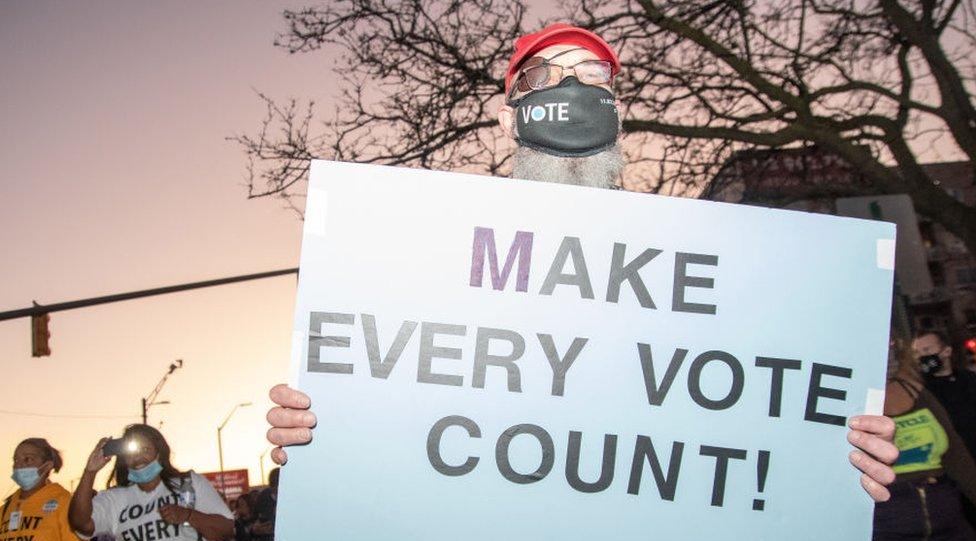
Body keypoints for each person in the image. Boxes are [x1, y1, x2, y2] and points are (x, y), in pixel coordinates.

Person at [264, 22, 900, 503]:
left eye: (593, 74)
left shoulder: (710, 264)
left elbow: (762, 417)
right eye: (544, 73)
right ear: (508, 108)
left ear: (618, 106)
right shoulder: (429, 266)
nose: (571, 88)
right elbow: (392, 417)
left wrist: (837, 462)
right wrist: (319, 431)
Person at [874, 340, 976, 541]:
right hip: (889, 525)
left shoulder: (914, 390)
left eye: (892, 344)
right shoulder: (851, 401)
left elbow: (957, 456)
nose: (888, 351)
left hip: (947, 517)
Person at [68, 424, 234, 541]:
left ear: (159, 452)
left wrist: (188, 515)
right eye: (131, 453)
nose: (138, 457)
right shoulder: (114, 498)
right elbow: (81, 523)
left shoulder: (188, 484)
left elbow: (225, 530)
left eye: (145, 449)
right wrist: (89, 472)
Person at [0, 438, 88, 541]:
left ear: (47, 466)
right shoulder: (5, 509)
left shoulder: (64, 503)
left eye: (28, 459)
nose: (18, 466)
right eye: (16, 460)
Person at [912, 330, 976, 460]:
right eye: (917, 353)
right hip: (951, 459)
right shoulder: (919, 390)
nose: (921, 357)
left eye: (926, 350)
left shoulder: (969, 379)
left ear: (946, 352)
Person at [249, 468, 277, 541]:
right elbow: (253, 521)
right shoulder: (263, 497)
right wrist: (256, 529)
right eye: (273, 484)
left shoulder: (293, 498)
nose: (276, 489)